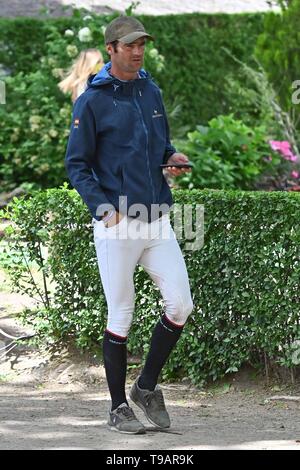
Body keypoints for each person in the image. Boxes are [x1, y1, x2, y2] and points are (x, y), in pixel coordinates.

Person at [65, 16, 194, 435]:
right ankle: (118, 406)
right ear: (112, 49)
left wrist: (171, 161)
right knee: (121, 313)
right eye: (130, 45)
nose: (138, 51)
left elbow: (162, 147)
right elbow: (78, 165)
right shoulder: (92, 101)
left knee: (180, 303)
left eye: (142, 44)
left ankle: (146, 387)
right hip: (116, 223)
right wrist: (103, 209)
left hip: (156, 219)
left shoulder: (151, 91)